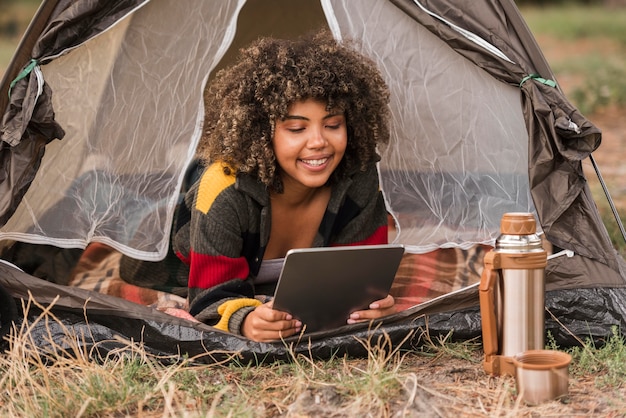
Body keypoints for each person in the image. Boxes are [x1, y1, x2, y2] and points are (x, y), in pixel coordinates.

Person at [173, 30, 394, 342]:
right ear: (263, 132)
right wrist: (245, 320)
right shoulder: (223, 192)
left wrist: (372, 306)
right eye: (296, 128)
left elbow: (363, 279)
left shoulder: (358, 175)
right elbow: (208, 301)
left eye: (333, 125)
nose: (319, 142)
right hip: (172, 235)